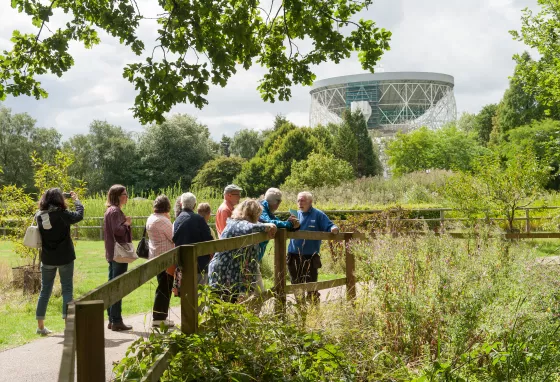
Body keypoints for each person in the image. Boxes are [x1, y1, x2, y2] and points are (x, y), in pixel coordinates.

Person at [35, 188, 84, 335]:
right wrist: (77, 200)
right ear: (59, 199)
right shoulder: (63, 215)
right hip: (65, 257)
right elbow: (79, 215)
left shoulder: (39, 215)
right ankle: (68, 326)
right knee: (67, 290)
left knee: (45, 291)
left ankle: (40, 326)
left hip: (47, 258)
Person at [208, 199, 277, 302]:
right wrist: (269, 226)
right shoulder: (237, 224)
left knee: (231, 304)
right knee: (221, 303)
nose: (259, 217)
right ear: (252, 213)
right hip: (223, 272)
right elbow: (251, 228)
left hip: (231, 273)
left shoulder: (240, 223)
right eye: (258, 214)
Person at [287, 191, 339, 303]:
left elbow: (330, 225)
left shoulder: (318, 214)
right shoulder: (295, 214)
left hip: (310, 256)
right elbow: (286, 228)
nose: (300, 203)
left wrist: (333, 228)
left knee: (312, 286)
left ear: (310, 202)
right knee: (296, 284)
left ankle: (314, 310)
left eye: (303, 200)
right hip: (293, 255)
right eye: (298, 200)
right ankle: (301, 308)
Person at [104, 184, 133, 331]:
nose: (126, 196)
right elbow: (118, 231)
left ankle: (112, 319)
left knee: (112, 285)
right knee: (118, 286)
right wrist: (127, 223)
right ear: (117, 196)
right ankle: (116, 320)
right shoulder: (115, 211)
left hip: (112, 253)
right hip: (119, 253)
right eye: (124, 194)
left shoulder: (110, 210)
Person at [146, 195, 176, 327]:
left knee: (162, 286)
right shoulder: (163, 221)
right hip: (165, 258)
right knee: (164, 288)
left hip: (156, 256)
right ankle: (159, 318)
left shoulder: (151, 218)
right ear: (167, 206)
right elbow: (174, 237)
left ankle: (160, 317)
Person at [173, 193, 213, 287]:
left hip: (183, 264)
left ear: (181, 204)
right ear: (194, 205)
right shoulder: (199, 219)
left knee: (186, 294)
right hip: (199, 264)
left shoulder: (177, 220)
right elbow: (209, 240)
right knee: (200, 295)